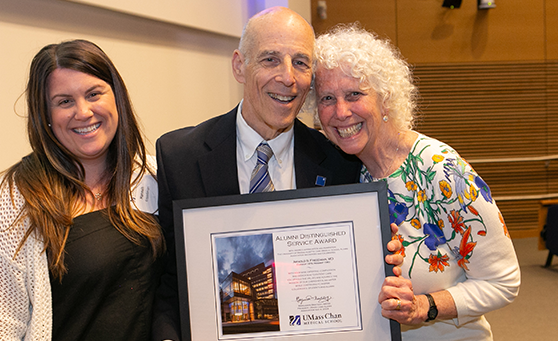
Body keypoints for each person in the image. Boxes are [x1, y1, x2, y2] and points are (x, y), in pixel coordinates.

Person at [154, 7, 404, 341]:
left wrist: (380, 265)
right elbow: (172, 281)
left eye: (300, 62)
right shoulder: (180, 156)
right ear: (239, 66)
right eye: (270, 59)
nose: (287, 78)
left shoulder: (339, 162)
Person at [311, 24, 521, 340]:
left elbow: (503, 282)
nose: (341, 112)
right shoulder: (342, 174)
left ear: (385, 97)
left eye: (355, 94)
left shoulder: (439, 169)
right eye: (327, 98)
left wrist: (425, 306)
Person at [0, 39, 163, 341]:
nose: (83, 112)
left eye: (94, 94)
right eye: (64, 101)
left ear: (117, 98)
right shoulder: (13, 199)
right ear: (44, 115)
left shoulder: (154, 176)